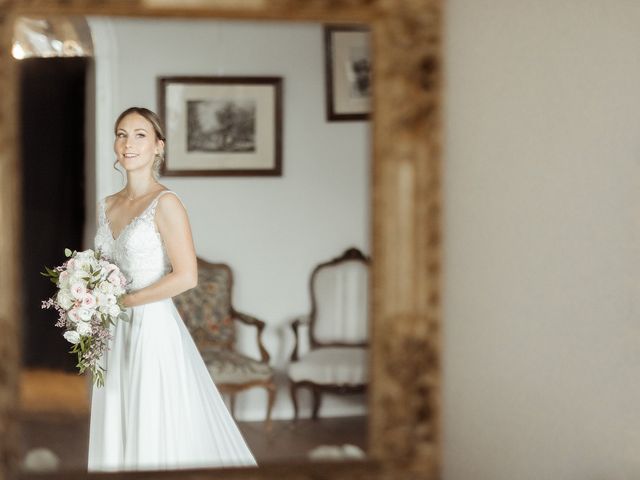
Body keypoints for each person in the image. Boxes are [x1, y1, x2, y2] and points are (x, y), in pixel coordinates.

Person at [88, 107, 256, 471]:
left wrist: (123, 301)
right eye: (121, 134)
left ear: (158, 147)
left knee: (152, 423)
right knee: (118, 418)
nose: (128, 143)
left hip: (151, 329)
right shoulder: (106, 206)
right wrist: (86, 294)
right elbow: (100, 269)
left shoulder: (167, 203)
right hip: (113, 333)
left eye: (139, 135)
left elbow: (186, 276)